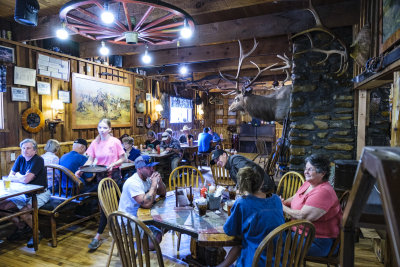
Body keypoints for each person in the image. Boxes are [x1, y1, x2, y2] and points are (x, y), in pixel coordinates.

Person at [75, 118, 126, 250]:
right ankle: (113, 230)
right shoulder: (95, 142)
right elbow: (90, 159)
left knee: (111, 205)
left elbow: (123, 158)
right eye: (100, 128)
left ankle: (98, 236)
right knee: (104, 206)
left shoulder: (115, 142)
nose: (102, 130)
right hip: (100, 178)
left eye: (104, 128)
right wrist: (80, 170)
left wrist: (112, 164)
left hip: (113, 177)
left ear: (110, 129)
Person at [220, 167, 284, 267]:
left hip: (256, 261)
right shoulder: (276, 199)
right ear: (262, 182)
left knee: (242, 243)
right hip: (280, 259)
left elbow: (229, 230)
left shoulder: (242, 203)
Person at [281, 154, 342, 257]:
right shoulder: (308, 184)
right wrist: (284, 202)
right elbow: (295, 197)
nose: (306, 172)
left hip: (317, 242)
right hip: (301, 233)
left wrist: (281, 206)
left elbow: (303, 216)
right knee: (269, 232)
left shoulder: (323, 192)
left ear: (322, 173)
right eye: (306, 168)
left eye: (310, 169)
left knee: (273, 242)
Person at [0, 139, 50, 247]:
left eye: (28, 148)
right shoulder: (20, 158)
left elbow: (26, 180)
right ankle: (21, 227)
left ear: (35, 150)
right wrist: (20, 177)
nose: (25, 150)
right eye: (23, 148)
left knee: (24, 211)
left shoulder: (38, 160)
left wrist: (18, 177)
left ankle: (37, 233)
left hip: (40, 193)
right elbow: (10, 176)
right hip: (23, 193)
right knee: (2, 206)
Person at [118, 155, 166, 249]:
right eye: (148, 167)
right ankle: (138, 252)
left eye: (153, 166)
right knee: (157, 236)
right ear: (139, 169)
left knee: (164, 223)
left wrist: (159, 183)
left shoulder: (148, 177)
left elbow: (163, 193)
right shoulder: (133, 183)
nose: (152, 169)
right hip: (128, 220)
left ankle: (144, 244)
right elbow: (147, 204)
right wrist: (153, 185)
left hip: (144, 215)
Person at [210, 149, 275, 194]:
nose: (218, 163)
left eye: (218, 159)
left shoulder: (234, 159)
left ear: (224, 155)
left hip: (263, 187)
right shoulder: (229, 166)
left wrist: (239, 190)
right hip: (256, 187)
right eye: (216, 162)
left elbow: (248, 173)